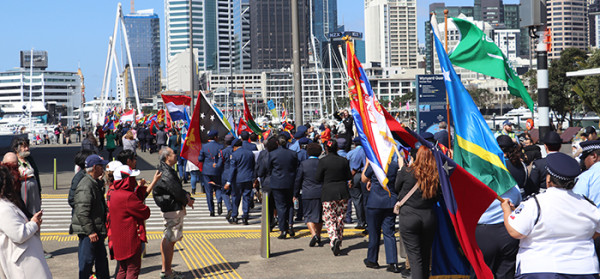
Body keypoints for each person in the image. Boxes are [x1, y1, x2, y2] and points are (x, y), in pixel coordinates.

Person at [502, 152, 600, 278]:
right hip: (583, 269)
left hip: (540, 267)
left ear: (548, 179)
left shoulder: (536, 203)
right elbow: (596, 232)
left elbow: (515, 231)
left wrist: (507, 211)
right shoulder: (588, 205)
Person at [394, 146, 441, 278]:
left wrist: (400, 169)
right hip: (428, 216)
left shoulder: (406, 171)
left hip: (409, 216)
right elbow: (438, 196)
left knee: (415, 257)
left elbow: (397, 188)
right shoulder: (435, 174)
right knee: (426, 255)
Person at [107, 163, 160, 279]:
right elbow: (145, 212)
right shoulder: (128, 197)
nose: (134, 181)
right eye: (132, 178)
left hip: (117, 240)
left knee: (122, 269)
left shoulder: (112, 193)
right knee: (133, 270)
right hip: (130, 240)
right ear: (126, 180)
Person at [0, 165, 51, 278]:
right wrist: (34, 223)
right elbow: (18, 234)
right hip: (24, 263)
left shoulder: (6, 204)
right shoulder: (3, 209)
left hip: (26, 258)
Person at [153, 147, 194, 279]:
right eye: (173, 153)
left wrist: (186, 195)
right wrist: (187, 200)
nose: (176, 155)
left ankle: (166, 269)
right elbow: (176, 191)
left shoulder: (166, 169)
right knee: (170, 239)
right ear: (167, 157)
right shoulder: (166, 172)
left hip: (170, 206)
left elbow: (176, 189)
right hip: (172, 208)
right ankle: (168, 272)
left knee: (168, 238)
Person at [70, 154, 110, 279]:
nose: (103, 169)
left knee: (101, 260)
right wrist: (90, 231)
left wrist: (100, 182)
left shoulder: (93, 182)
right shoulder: (86, 185)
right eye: (101, 166)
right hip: (90, 231)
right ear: (94, 167)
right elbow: (82, 211)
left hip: (96, 229)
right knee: (87, 262)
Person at [362, 155, 401, 273]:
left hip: (374, 201)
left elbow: (364, 179)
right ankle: (392, 262)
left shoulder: (375, 164)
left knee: (374, 232)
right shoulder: (394, 165)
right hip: (389, 200)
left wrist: (367, 163)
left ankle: (372, 259)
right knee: (389, 233)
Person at [315, 139, 352, 256]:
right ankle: (338, 240)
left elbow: (318, 178)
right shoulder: (344, 161)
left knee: (330, 218)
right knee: (340, 217)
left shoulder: (323, 161)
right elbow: (348, 176)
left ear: (326, 148)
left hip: (328, 193)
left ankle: (334, 238)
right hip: (342, 192)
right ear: (337, 148)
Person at [268, 135, 299, 239]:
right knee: (290, 204)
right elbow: (296, 167)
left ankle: (283, 230)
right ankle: (290, 225)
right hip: (290, 181)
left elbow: (268, 168)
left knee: (280, 206)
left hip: (277, 182)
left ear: (277, 143)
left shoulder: (272, 154)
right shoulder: (293, 154)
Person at [294, 143, 323, 246]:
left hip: (307, 192)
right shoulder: (322, 163)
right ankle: (318, 235)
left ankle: (313, 234)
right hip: (320, 192)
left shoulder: (303, 164)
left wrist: (295, 194)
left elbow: (298, 180)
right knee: (319, 216)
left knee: (308, 216)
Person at [224, 138, 256, 225]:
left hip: (237, 180)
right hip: (248, 178)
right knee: (246, 197)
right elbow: (253, 167)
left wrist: (228, 182)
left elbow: (232, 169)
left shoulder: (234, 155)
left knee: (235, 198)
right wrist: (254, 178)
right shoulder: (250, 153)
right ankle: (245, 217)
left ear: (235, 147)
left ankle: (234, 216)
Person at [197, 130, 223, 213]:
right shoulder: (220, 146)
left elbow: (200, 159)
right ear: (215, 137)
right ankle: (219, 201)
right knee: (218, 188)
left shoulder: (204, 147)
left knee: (209, 191)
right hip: (217, 170)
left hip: (207, 171)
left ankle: (211, 210)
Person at [218, 135, 235, 220]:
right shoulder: (235, 150)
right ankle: (234, 210)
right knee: (234, 193)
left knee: (224, 193)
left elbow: (219, 164)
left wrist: (215, 164)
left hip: (225, 173)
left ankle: (229, 208)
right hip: (235, 173)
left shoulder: (223, 152)